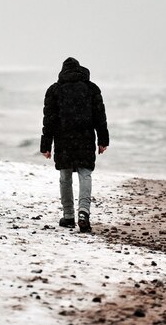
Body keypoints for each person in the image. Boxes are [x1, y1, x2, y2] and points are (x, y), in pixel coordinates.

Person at [40, 57, 109, 233]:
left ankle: (69, 216)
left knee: (65, 177)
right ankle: (84, 213)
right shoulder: (91, 88)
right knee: (85, 174)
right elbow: (100, 117)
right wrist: (103, 140)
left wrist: (46, 145)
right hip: (85, 137)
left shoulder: (54, 90)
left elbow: (49, 120)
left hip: (63, 138)